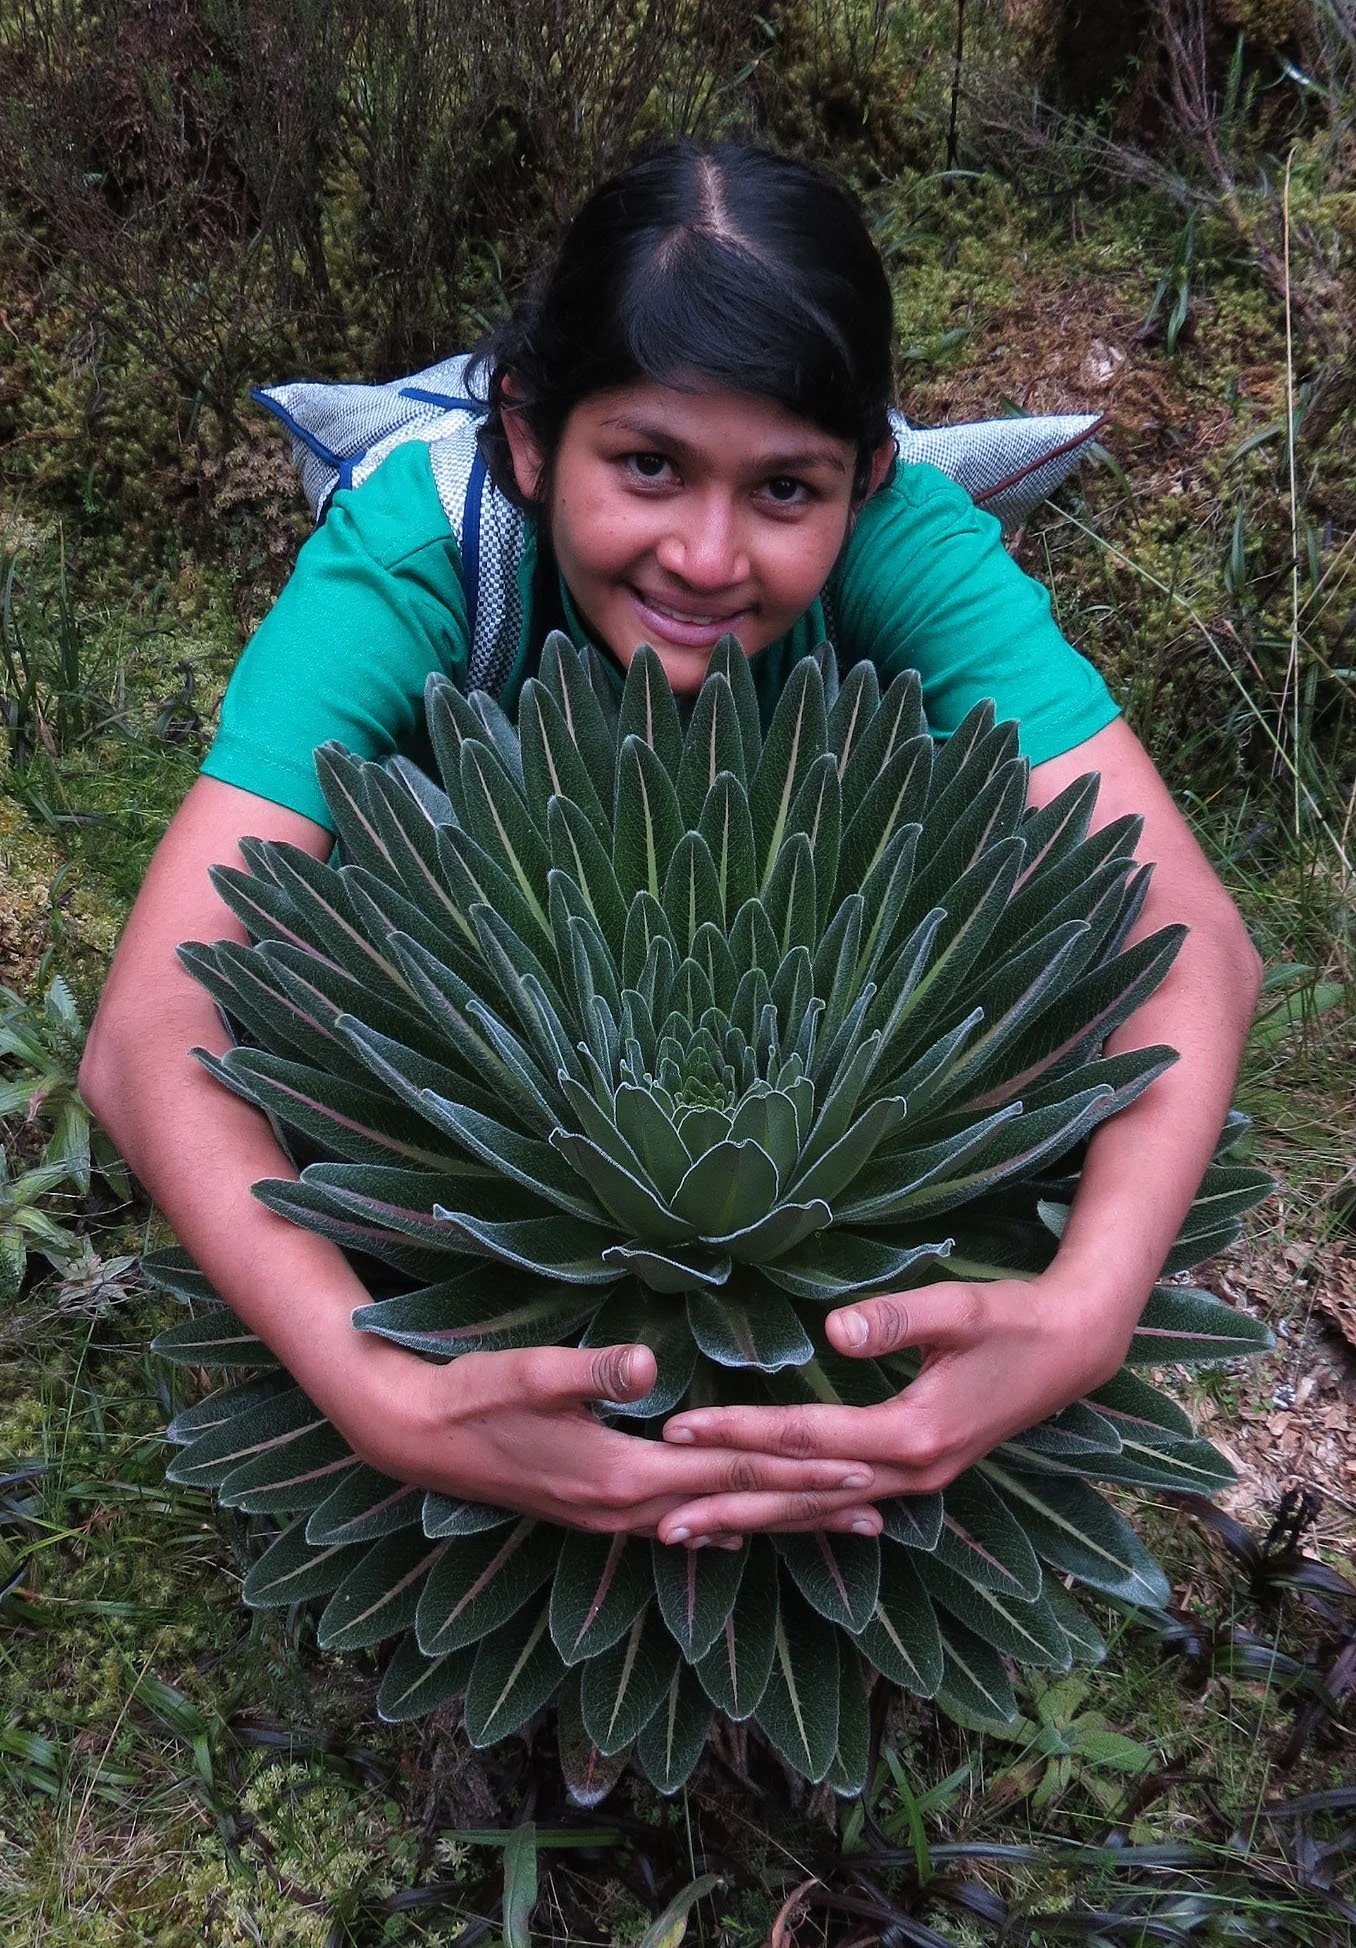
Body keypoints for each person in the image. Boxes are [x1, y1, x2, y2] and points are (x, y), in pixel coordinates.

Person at [81, 142, 1261, 1557]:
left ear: (866, 479)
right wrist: (370, 1378)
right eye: (647, 464)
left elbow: (1192, 939)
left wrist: (1084, 1307)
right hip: (478, 1051)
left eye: (785, 490)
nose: (707, 556)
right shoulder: (411, 560)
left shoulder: (903, 542)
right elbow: (150, 1027)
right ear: (528, 434)